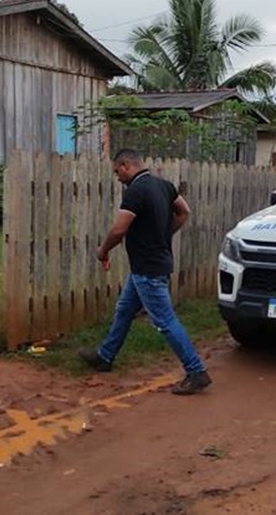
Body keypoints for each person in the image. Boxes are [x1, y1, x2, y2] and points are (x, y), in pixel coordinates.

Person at [78, 148, 212, 395]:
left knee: (165, 321)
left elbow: (119, 230)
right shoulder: (164, 186)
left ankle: (196, 371)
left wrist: (103, 251)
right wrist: (164, 233)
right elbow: (184, 211)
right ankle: (104, 357)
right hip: (148, 265)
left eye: (117, 171)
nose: (118, 177)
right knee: (124, 310)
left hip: (148, 269)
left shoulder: (135, 191)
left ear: (126, 165)